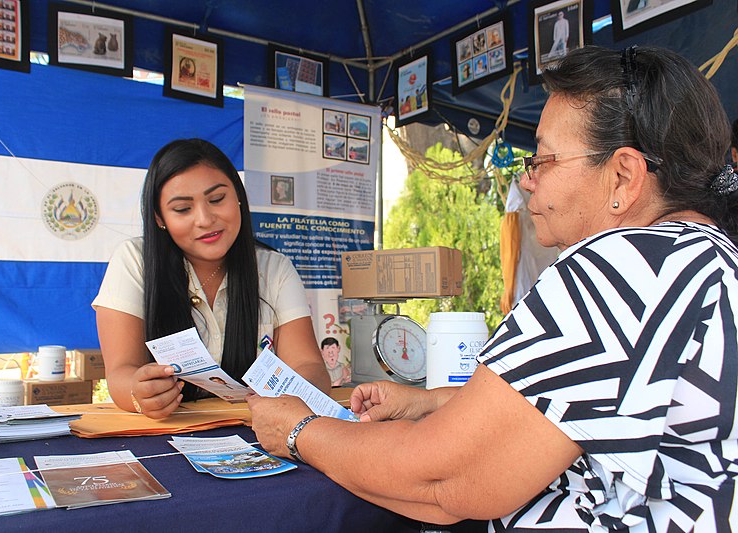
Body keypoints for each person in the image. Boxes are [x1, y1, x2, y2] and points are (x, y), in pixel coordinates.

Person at [247, 46, 738, 530]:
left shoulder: (620, 267)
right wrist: (433, 402)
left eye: (543, 160)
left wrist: (296, 430)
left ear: (623, 177)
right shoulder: (708, 257)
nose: (527, 182)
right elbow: (574, 411)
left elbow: (444, 479)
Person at [93, 139, 330, 419]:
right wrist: (139, 391)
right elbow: (121, 374)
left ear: (238, 197)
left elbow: (308, 365)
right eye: (183, 209)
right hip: (167, 430)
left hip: (260, 430)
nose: (205, 219)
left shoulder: (274, 269)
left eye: (217, 199)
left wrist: (299, 393)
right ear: (160, 217)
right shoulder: (134, 261)